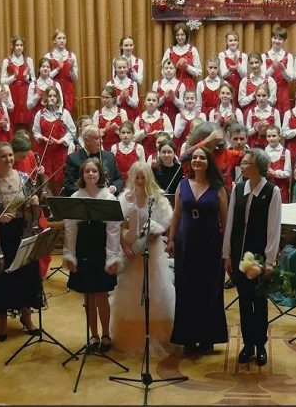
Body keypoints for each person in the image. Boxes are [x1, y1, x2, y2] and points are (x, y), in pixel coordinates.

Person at [223, 148, 282, 366]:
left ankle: (260, 345)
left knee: (260, 301)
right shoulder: (238, 189)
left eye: (246, 162)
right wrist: (227, 254)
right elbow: (230, 223)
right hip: (239, 255)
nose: (242, 166)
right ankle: (248, 345)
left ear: (258, 166)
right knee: (244, 302)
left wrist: (269, 261)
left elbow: (274, 228)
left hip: (259, 257)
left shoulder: (272, 191)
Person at [168, 147, 229, 354]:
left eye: (202, 157)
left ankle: (207, 337)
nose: (197, 160)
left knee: (208, 290)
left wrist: (226, 249)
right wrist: (171, 239)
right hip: (185, 243)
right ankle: (187, 337)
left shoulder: (218, 188)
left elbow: (225, 221)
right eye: (194, 157)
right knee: (186, 289)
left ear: (208, 162)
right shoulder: (183, 184)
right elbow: (177, 214)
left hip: (210, 245)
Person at [112, 162, 175, 356]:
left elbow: (168, 218)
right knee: (131, 291)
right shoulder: (125, 198)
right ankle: (132, 335)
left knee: (154, 289)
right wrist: (124, 246)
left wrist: (157, 231)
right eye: (136, 178)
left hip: (152, 250)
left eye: (143, 177)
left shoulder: (157, 198)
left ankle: (154, 334)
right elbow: (114, 224)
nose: (139, 181)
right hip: (131, 248)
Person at [0, 142, 43, 341]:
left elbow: (35, 205)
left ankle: (26, 315)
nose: (8, 159)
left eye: (10, 155)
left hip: (23, 231)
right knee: (3, 275)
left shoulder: (25, 178)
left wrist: (34, 202)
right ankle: (2, 318)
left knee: (26, 273)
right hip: (2, 234)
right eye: (3, 156)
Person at [63, 158, 122, 353]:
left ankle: (105, 334)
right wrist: (70, 255)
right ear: (82, 174)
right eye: (87, 171)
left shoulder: (108, 198)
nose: (91, 174)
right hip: (83, 250)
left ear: (100, 174)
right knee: (88, 297)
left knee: (102, 295)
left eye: (94, 171)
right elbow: (70, 230)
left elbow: (113, 231)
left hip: (101, 250)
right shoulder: (76, 197)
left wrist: (111, 258)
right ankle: (93, 335)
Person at [10, 133, 52, 278]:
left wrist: (41, 171)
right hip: (18, 208)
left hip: (34, 206)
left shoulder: (31, 155)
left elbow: (37, 180)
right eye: (21, 156)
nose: (24, 158)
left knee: (42, 235)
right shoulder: (8, 162)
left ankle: (40, 273)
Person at [31, 85, 76, 195]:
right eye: (50, 96)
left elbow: (72, 131)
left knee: (60, 179)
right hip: (45, 152)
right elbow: (35, 131)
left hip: (60, 152)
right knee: (47, 179)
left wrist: (60, 141)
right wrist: (41, 137)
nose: (52, 98)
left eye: (54, 96)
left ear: (58, 98)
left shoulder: (64, 113)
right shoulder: (40, 114)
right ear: (45, 98)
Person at [64, 125, 123, 197]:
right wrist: (90, 193)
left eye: (101, 137)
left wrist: (114, 188)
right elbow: (69, 186)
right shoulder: (73, 159)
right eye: (97, 138)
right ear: (86, 140)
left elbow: (118, 179)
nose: (101, 141)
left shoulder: (110, 156)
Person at [1, 35, 35, 133]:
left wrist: (26, 77)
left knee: (26, 120)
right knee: (13, 119)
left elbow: (33, 80)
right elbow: (2, 81)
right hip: (13, 93)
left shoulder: (28, 60)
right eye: (17, 45)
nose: (19, 47)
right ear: (12, 46)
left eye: (21, 45)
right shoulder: (7, 61)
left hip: (25, 93)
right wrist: (13, 77)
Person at [44, 29, 78, 113]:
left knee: (67, 113)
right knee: (54, 112)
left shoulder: (72, 56)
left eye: (64, 38)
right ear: (54, 41)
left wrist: (71, 69)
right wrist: (58, 69)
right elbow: (46, 77)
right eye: (59, 38)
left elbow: (75, 78)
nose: (62, 40)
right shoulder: (48, 56)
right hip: (53, 89)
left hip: (68, 90)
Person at [262, 27, 294, 115]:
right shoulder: (264, 56)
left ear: (284, 41)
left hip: (283, 91)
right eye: (275, 38)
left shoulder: (289, 56)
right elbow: (263, 77)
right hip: (268, 91)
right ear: (271, 38)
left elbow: (290, 79)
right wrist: (272, 68)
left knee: (283, 117)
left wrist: (283, 70)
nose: (277, 41)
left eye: (280, 39)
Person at [162, 22, 202, 90]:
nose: (180, 37)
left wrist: (187, 66)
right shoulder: (169, 51)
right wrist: (176, 67)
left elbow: (198, 72)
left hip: (189, 86)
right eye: (177, 35)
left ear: (186, 35)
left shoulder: (192, 50)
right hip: (173, 85)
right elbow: (163, 72)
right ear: (174, 36)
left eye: (182, 35)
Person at [134, 91, 173, 158]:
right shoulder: (139, 119)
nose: (151, 102)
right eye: (149, 100)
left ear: (158, 103)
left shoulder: (163, 117)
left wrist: (159, 133)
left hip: (161, 153)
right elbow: (134, 138)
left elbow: (170, 135)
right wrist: (144, 132)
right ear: (144, 102)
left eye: (154, 100)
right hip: (143, 153)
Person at [238, 52, 276, 118]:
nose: (254, 65)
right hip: (249, 117)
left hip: (265, 116)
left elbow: (273, 101)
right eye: (251, 63)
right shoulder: (244, 81)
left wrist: (262, 98)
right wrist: (253, 95)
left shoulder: (270, 81)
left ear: (261, 62)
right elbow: (241, 102)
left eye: (256, 62)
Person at [93, 86, 129, 152]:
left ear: (114, 99)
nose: (104, 100)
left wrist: (117, 129)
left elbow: (128, 133)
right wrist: (105, 129)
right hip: (102, 148)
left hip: (119, 148)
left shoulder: (122, 112)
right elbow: (94, 134)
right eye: (102, 97)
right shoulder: (97, 113)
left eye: (107, 97)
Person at [245, 84, 281, 149]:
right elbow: (247, 132)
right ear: (255, 96)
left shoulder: (275, 112)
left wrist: (269, 127)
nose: (261, 98)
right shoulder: (251, 112)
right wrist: (255, 129)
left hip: (270, 145)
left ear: (268, 96)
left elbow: (279, 131)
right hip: (254, 145)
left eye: (264, 95)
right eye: (258, 95)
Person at [218, 31, 247, 107]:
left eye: (235, 40)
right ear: (227, 42)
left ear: (238, 42)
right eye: (230, 40)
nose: (233, 42)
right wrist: (230, 70)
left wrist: (238, 64)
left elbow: (244, 75)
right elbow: (223, 75)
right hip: (227, 85)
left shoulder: (243, 56)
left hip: (240, 85)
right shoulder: (222, 55)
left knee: (238, 106)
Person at [111, 122, 145, 186]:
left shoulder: (139, 148)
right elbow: (112, 168)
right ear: (119, 134)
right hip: (119, 181)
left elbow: (143, 167)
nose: (125, 135)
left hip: (134, 182)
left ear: (133, 133)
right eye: (123, 133)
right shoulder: (114, 148)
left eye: (128, 132)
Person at [264, 126, 291, 203]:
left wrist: (275, 173)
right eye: (269, 136)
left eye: (274, 136)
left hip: (281, 187)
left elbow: (288, 172)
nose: (271, 138)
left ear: (279, 137)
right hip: (267, 186)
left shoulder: (286, 152)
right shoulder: (264, 152)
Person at [108, 56, 140, 123]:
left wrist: (128, 98)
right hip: (115, 117)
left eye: (124, 67)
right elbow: (109, 104)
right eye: (119, 67)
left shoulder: (133, 84)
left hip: (131, 116)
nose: (122, 70)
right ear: (115, 68)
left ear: (128, 68)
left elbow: (136, 105)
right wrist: (119, 98)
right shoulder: (110, 84)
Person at [153, 59, 185, 124]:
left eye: (171, 68)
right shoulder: (156, 84)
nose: (168, 70)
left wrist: (174, 98)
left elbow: (183, 106)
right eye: (166, 68)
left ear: (175, 70)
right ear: (162, 70)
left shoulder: (181, 85)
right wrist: (163, 98)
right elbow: (153, 105)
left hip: (176, 119)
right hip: (159, 119)